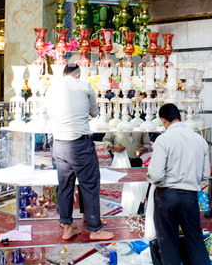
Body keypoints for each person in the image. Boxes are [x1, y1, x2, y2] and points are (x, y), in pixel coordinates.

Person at [147, 103, 212, 265]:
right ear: (179, 116)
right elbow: (205, 175)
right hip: (189, 197)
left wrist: (155, 180)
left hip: (166, 197)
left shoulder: (163, 139)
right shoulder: (198, 139)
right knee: (195, 241)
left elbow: (155, 174)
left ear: (163, 120)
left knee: (168, 244)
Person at [45, 63, 114, 242]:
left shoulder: (51, 89)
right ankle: (95, 229)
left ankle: (67, 227)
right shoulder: (84, 86)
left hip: (59, 144)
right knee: (89, 185)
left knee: (65, 185)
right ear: (78, 75)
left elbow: (49, 114)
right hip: (79, 144)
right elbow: (94, 112)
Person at [103, 131, 150, 214]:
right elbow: (106, 141)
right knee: (127, 188)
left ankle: (139, 211)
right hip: (121, 160)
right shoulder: (116, 125)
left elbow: (147, 144)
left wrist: (142, 150)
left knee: (138, 187)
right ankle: (128, 210)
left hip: (135, 160)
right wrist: (113, 147)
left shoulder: (140, 125)